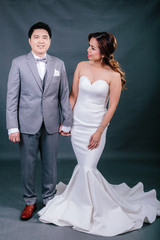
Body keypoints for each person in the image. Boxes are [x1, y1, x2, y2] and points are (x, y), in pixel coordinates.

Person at [38, 32, 160, 237]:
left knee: (87, 167)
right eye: (89, 46)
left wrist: (99, 131)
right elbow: (73, 96)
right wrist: (66, 122)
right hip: (77, 125)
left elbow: (111, 108)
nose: (88, 50)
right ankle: (81, 205)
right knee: (84, 167)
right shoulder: (81, 66)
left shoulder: (113, 76)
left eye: (93, 47)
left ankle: (89, 211)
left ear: (103, 52)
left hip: (96, 127)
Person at [6, 22, 72, 220]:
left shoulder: (58, 64)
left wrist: (67, 121)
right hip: (26, 124)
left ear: (50, 41)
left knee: (51, 166)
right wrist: (12, 127)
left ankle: (49, 199)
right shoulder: (18, 63)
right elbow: (12, 98)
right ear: (29, 40)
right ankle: (29, 201)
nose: (41, 40)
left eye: (45, 37)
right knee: (28, 165)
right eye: (37, 37)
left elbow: (64, 95)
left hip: (52, 123)